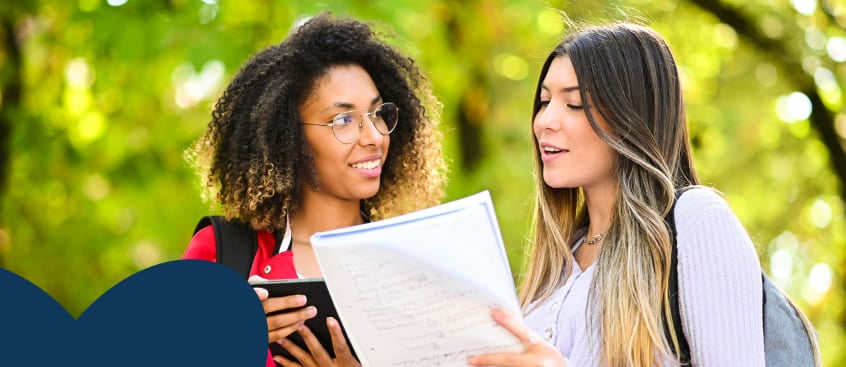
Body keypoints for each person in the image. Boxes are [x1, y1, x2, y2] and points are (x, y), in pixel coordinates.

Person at [468, 22, 765, 367]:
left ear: (632, 118)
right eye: (545, 101)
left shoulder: (695, 222)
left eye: (574, 103)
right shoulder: (555, 268)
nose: (544, 121)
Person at [182, 11, 446, 367]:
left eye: (377, 113)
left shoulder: (416, 267)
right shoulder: (222, 254)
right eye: (343, 120)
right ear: (289, 138)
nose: (374, 136)